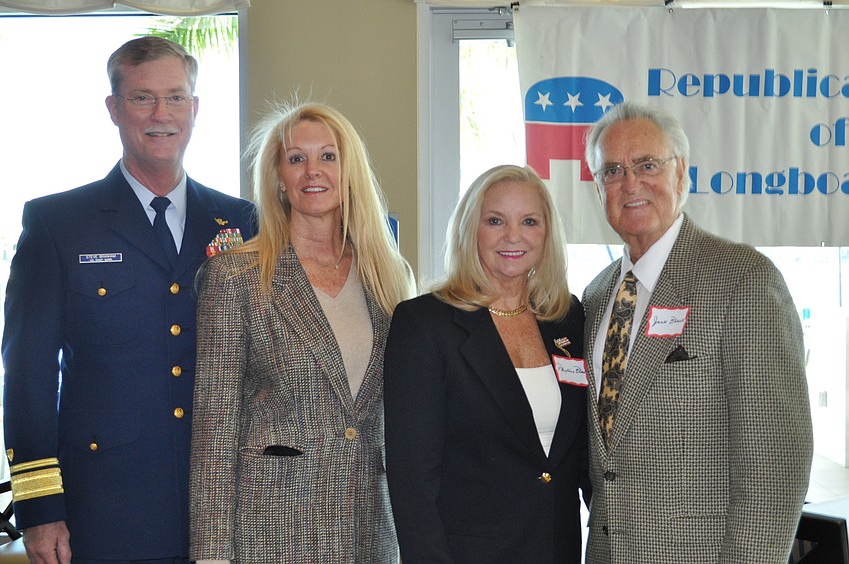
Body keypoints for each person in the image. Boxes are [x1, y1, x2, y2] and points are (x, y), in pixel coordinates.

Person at [1, 36, 255, 563]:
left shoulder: (243, 222)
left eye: (176, 97)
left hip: (228, 505)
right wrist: (40, 507)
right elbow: (28, 374)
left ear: (195, 108)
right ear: (114, 109)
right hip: (106, 510)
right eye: (142, 98)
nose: (161, 114)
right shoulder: (58, 224)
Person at [581, 101, 812, 563]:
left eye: (647, 165)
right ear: (598, 186)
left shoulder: (743, 280)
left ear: (681, 174)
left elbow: (774, 471)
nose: (631, 183)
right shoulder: (596, 295)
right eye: (612, 171)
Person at [188, 101, 414, 563]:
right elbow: (215, 428)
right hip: (273, 530)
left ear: (349, 169)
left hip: (369, 529)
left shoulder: (387, 276)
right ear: (278, 178)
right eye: (297, 159)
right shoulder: (237, 277)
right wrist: (211, 554)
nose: (313, 171)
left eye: (328, 156)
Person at [384, 164, 590, 563]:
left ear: (547, 234)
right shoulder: (426, 324)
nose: (513, 236)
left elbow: (580, 455)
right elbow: (413, 481)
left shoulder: (567, 318)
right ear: (470, 230)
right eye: (495, 221)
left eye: (529, 221)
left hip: (556, 550)